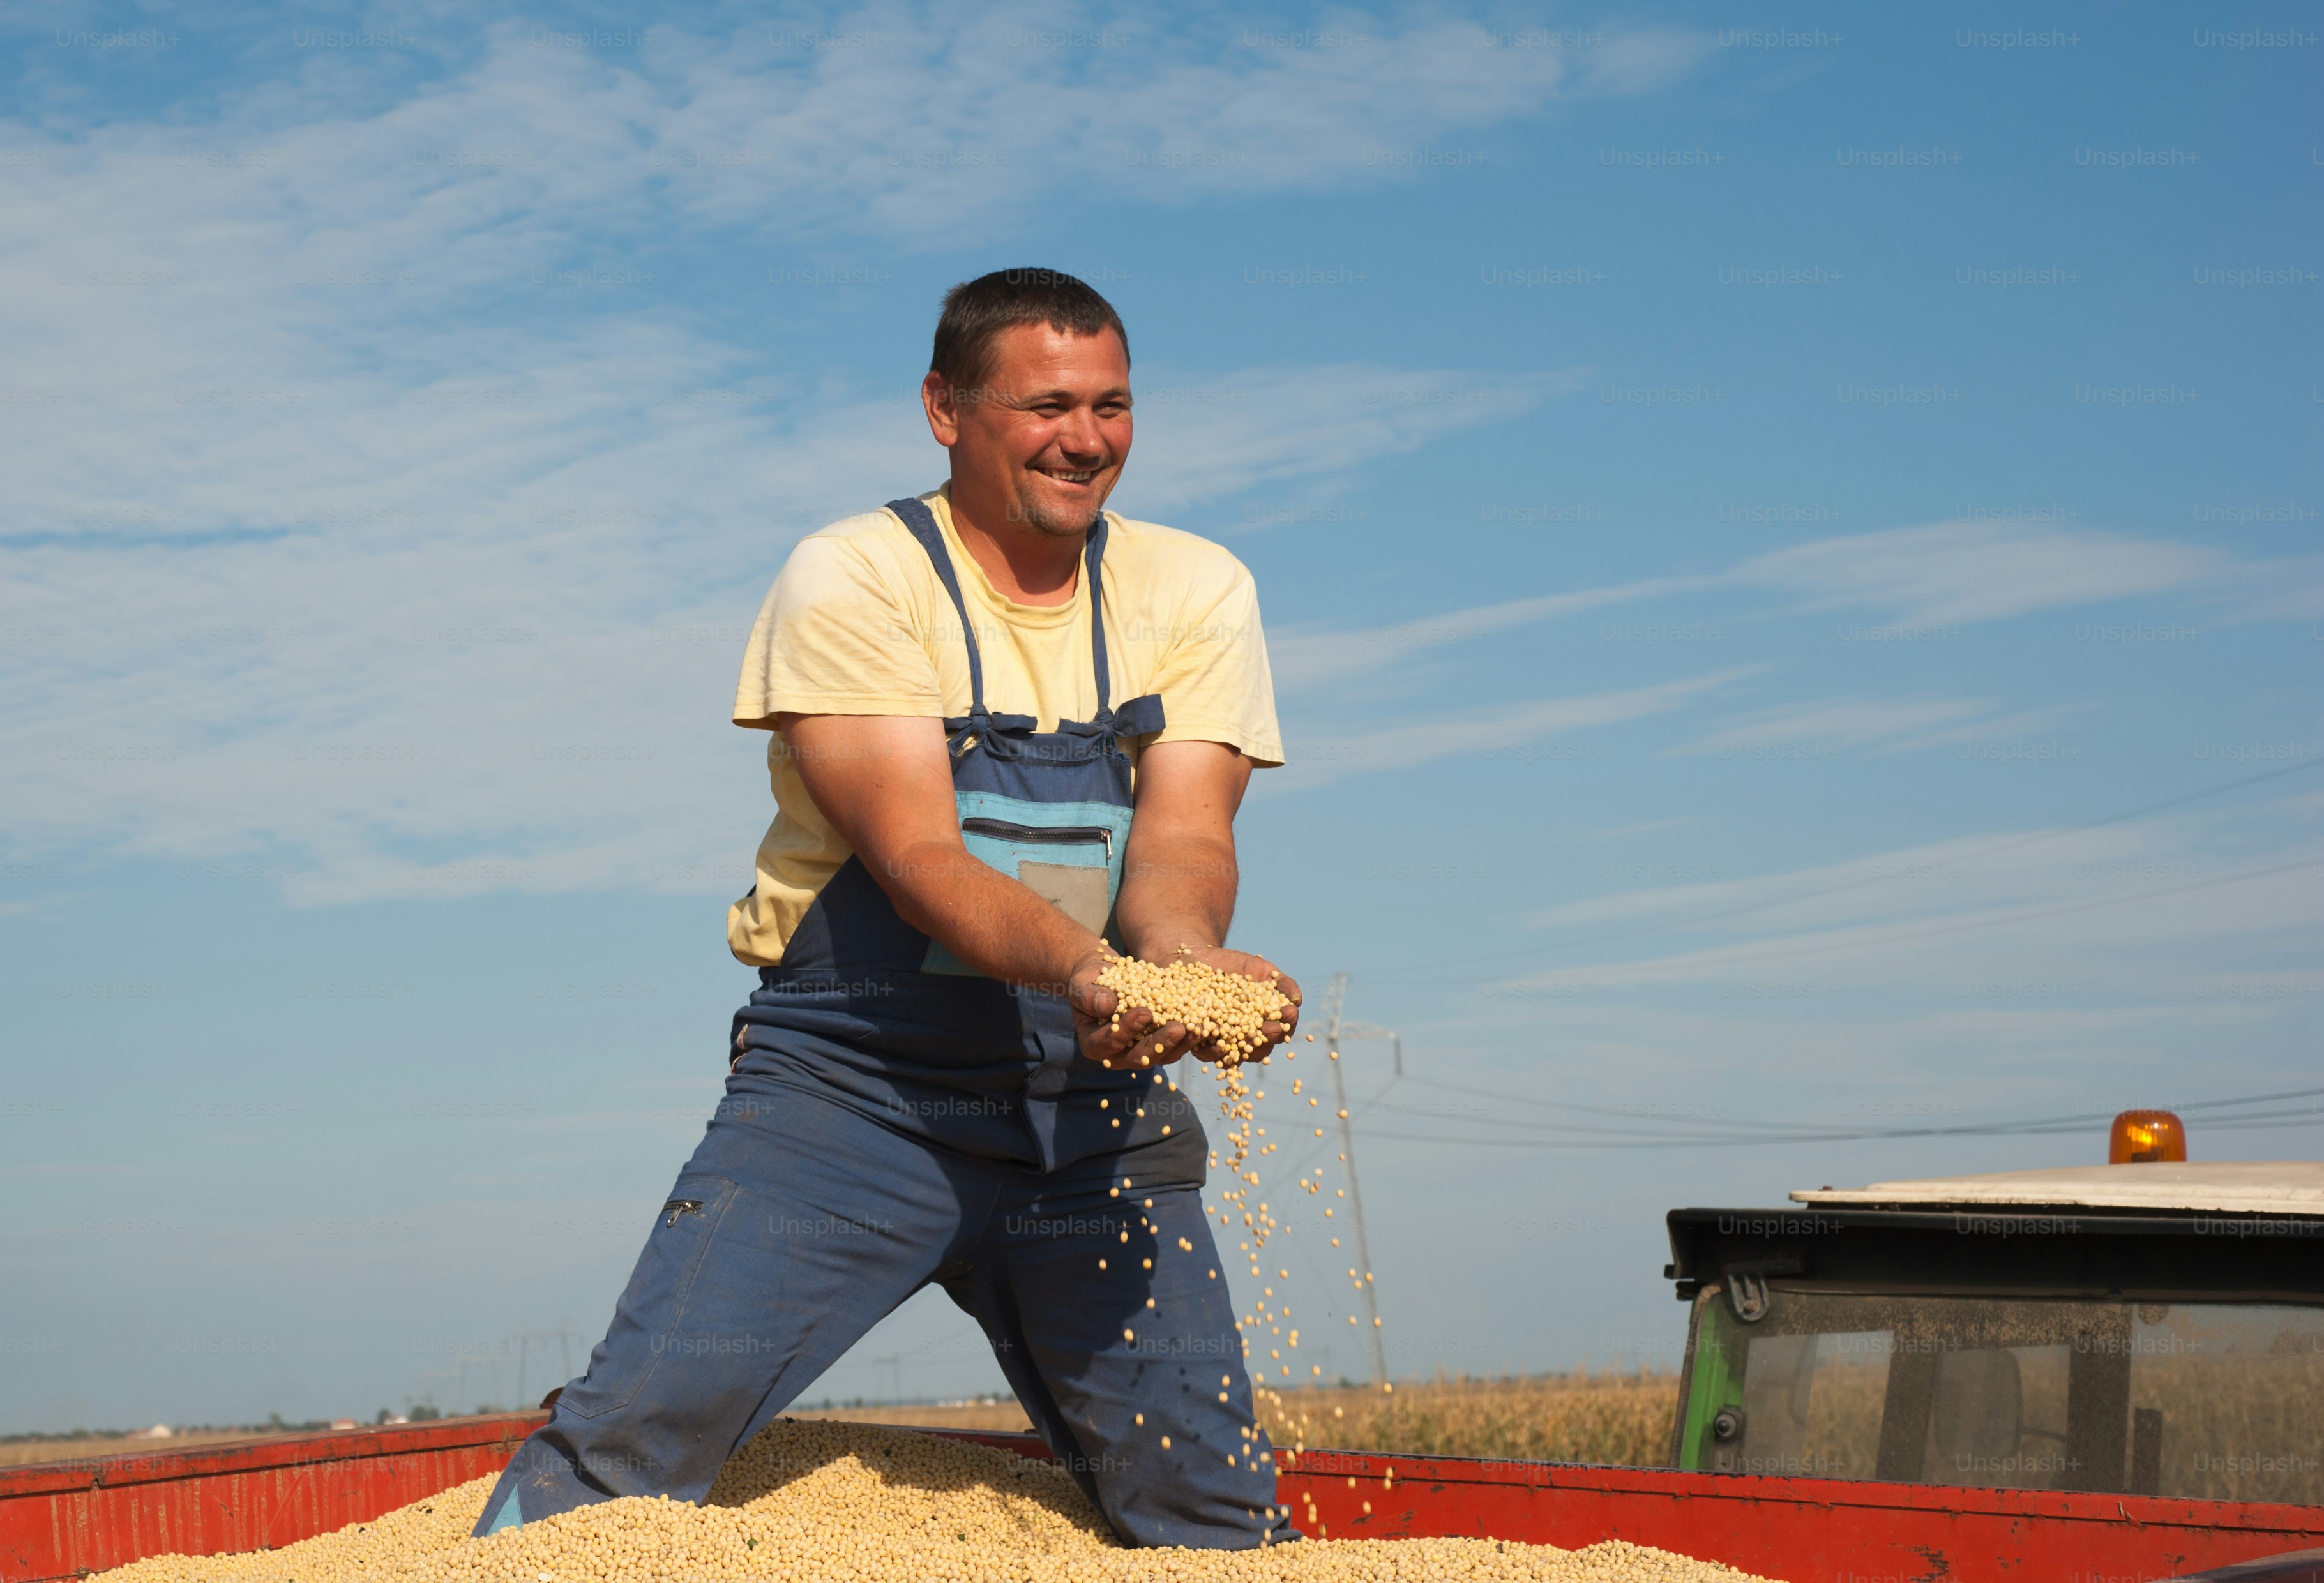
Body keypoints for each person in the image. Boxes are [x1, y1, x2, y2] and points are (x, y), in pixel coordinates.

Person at [474, 268, 1301, 1549]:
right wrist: (1097, 974)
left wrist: (1180, 968)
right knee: (634, 1447)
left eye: (1111, 404)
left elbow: (1184, 835)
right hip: (854, 1103)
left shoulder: (1194, 589)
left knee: (1210, 1508)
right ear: (944, 408)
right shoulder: (856, 575)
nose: (1083, 437)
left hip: (1089, 1119)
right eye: (1044, 405)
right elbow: (916, 853)